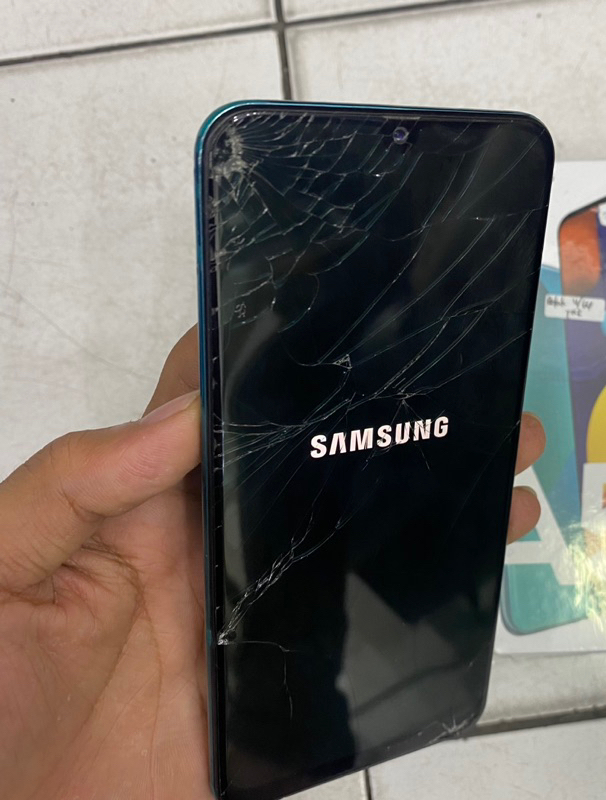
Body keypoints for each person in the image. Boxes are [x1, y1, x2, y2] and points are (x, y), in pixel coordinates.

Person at [0, 327, 545, 799]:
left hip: (288, 705)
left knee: (302, 519)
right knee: (299, 520)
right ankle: (285, 721)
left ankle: (283, 721)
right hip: (295, 704)